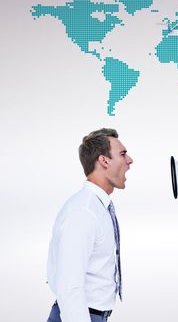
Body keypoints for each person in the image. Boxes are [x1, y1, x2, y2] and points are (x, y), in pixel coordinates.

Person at [46, 128, 133, 322]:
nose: (130, 160)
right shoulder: (83, 212)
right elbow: (69, 286)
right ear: (104, 160)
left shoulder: (97, 206)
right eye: (122, 154)